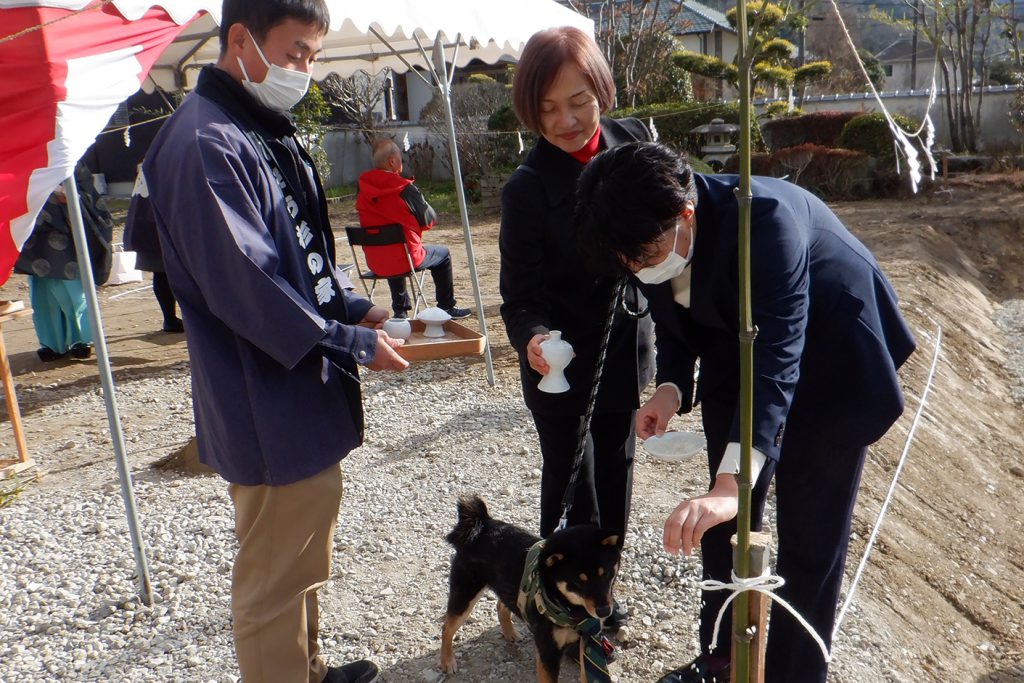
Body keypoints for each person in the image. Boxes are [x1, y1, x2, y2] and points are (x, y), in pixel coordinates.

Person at [573, 141, 917, 683]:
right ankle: (722, 660)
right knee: (722, 524)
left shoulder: (767, 224)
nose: (636, 269)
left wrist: (734, 482)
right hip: (736, 353)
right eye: (626, 263)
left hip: (831, 357)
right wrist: (669, 389)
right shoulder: (652, 238)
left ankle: (795, 674)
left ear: (684, 215)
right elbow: (674, 312)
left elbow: (778, 358)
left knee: (809, 539)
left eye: (641, 255)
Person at [140, 2, 408, 682]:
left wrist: (352, 307)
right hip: (263, 394)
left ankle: (309, 668)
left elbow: (300, 253)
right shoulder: (206, 140)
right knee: (271, 581)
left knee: (299, 553)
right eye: (295, 53)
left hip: (299, 383)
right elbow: (248, 285)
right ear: (240, 40)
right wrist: (346, 337)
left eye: (313, 56)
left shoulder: (254, 127)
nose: (305, 71)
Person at [498, 26, 654, 631]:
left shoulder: (632, 145)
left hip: (623, 347)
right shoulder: (527, 188)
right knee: (571, 475)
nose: (565, 120)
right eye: (547, 108)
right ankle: (559, 598)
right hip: (558, 364)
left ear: (602, 92)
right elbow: (520, 298)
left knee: (616, 469)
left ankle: (603, 595)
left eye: (579, 101)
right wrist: (534, 340)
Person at [355, 138, 470, 320]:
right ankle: (447, 306)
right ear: (392, 161)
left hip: (375, 263)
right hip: (407, 258)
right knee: (442, 254)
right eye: (400, 157)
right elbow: (428, 220)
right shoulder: (403, 189)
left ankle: (400, 310)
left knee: (391, 246)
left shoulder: (363, 191)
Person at [13, 160, 112, 362]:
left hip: (67, 237)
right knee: (43, 296)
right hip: (35, 237)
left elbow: (87, 191)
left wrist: (68, 196)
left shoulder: (68, 155)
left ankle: (82, 340)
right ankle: (51, 344)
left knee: (74, 293)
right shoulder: (25, 155)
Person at [124, 164, 183, 333]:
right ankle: (171, 318)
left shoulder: (152, 158)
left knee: (162, 272)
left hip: (147, 219)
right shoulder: (167, 158)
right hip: (158, 220)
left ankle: (170, 318)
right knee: (166, 272)